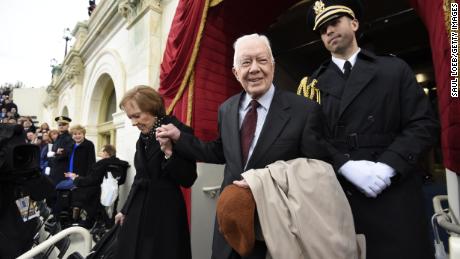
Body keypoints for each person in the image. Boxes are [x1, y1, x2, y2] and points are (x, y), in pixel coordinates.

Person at [156, 33, 329, 259]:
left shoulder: (304, 110)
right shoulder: (226, 109)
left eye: (262, 60)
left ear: (273, 66)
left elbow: (316, 171)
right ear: (236, 73)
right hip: (230, 229)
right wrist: (180, 138)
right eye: (246, 62)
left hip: (277, 231)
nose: (254, 69)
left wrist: (265, 181)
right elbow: (219, 151)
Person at [300, 1, 439, 258]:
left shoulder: (393, 69)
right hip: (340, 192)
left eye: (334, 22)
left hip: (394, 190)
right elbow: (310, 137)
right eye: (322, 30)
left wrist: (388, 167)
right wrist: (345, 166)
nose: (328, 31)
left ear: (354, 24)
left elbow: (422, 123)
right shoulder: (312, 84)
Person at [113, 85, 197, 259]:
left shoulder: (179, 131)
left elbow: (188, 178)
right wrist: (125, 209)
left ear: (152, 108)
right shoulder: (143, 137)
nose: (134, 123)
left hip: (165, 212)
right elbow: (139, 177)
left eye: (136, 116)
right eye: (130, 118)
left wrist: (169, 153)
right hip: (139, 210)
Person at [65, 144, 130, 227]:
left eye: (101, 151)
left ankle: (87, 220)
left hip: (98, 193)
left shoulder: (102, 163)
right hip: (113, 192)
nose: (100, 153)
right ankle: (104, 222)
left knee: (74, 194)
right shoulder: (120, 164)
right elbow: (121, 181)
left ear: (106, 153)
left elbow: (92, 180)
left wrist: (75, 178)